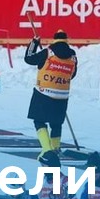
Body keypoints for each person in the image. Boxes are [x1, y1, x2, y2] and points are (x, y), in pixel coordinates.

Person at [25, 29, 78, 164]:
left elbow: (29, 58)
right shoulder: (73, 56)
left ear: (55, 39)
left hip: (43, 92)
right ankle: (55, 150)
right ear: (66, 40)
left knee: (39, 121)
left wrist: (34, 43)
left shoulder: (48, 52)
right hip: (62, 96)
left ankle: (47, 150)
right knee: (56, 123)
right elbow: (72, 74)